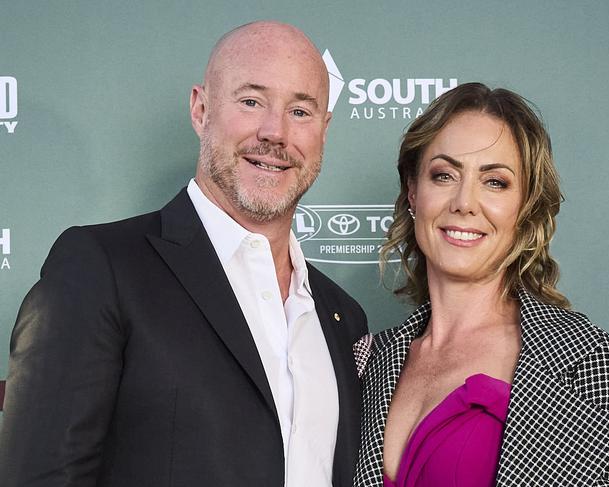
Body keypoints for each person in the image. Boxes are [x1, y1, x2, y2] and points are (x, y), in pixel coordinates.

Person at [0, 21, 367, 487]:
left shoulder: (342, 316)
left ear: (324, 130)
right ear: (201, 109)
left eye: (300, 111)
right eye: (251, 101)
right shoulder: (102, 268)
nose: (275, 132)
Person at [353, 83, 609, 486]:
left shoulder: (592, 363)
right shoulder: (365, 362)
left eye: (495, 182)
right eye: (443, 175)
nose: (464, 201)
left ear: (525, 205)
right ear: (412, 191)